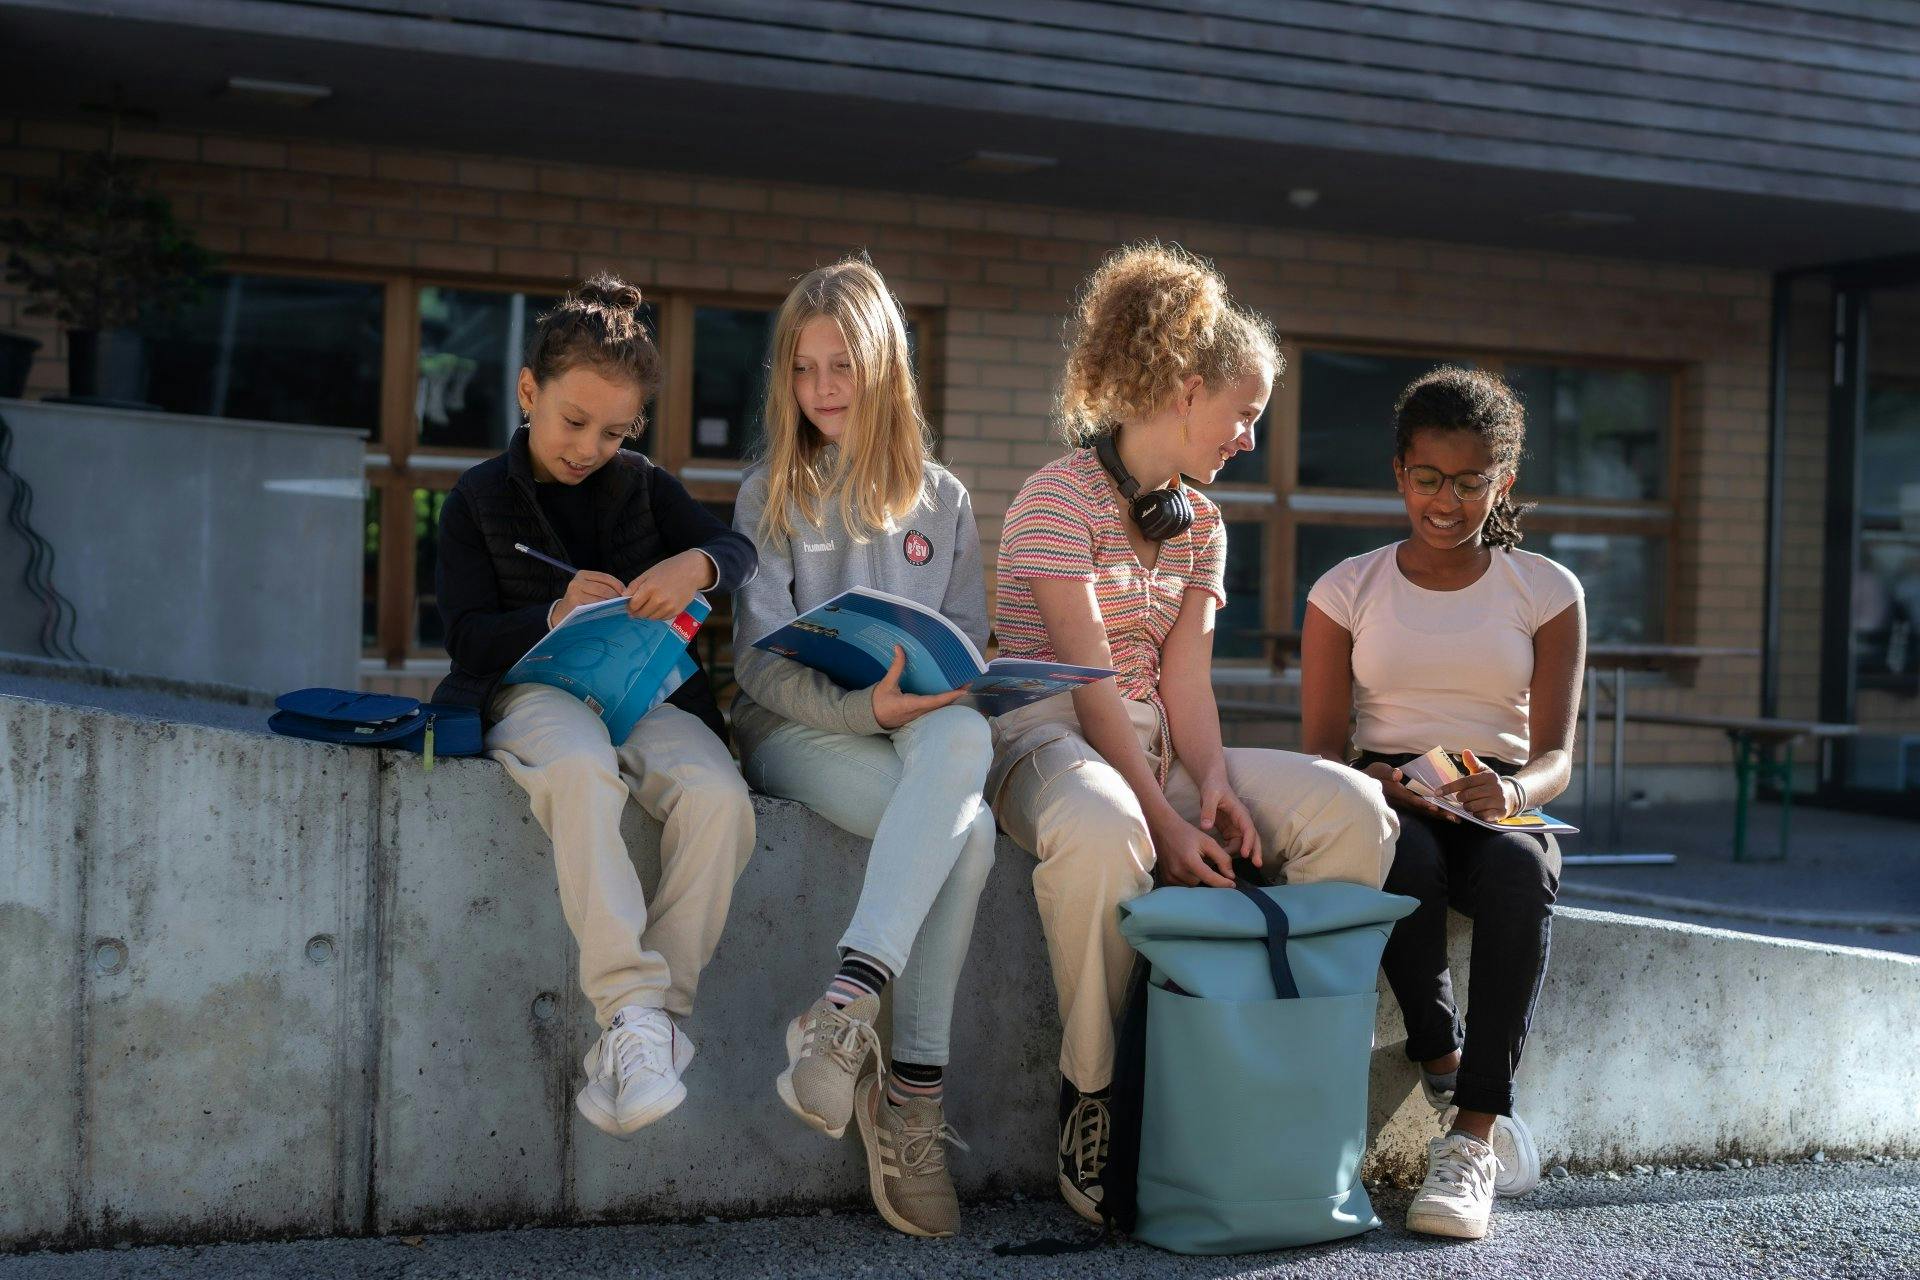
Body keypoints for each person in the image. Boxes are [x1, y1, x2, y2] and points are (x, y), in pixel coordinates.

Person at [990, 243, 1400, 1224]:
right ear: (1184, 390)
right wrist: (1169, 827)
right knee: (1102, 830)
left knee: (1360, 811)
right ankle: (1093, 1092)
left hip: (1159, 749)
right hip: (1048, 739)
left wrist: (1211, 782)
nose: (1252, 436)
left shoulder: (1203, 522)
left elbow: (1185, 679)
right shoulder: (1057, 496)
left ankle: (1271, 1045)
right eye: (1244, 412)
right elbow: (1091, 690)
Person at [433, 274, 759, 1140]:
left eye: (614, 431)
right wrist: (551, 613)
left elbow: (732, 545)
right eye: (574, 421)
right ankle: (629, 1014)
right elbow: (464, 637)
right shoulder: (474, 501)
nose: (589, 446)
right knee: (579, 771)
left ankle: (646, 1028)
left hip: (642, 692)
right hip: (534, 694)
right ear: (528, 391)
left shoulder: (642, 486)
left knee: (721, 798)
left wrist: (696, 568)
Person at [731, 257, 993, 1239]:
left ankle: (847, 1016)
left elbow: (964, 658)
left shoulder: (946, 500)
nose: (823, 388)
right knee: (966, 841)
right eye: (804, 369)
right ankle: (911, 1087)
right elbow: (756, 669)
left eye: (843, 364)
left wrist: (934, 698)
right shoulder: (770, 491)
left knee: (964, 733)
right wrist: (865, 715)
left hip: (919, 740)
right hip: (798, 734)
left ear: (884, 369)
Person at [1299, 365, 1586, 1241]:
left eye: (1470, 482)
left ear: (1501, 481)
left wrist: (1511, 791)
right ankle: (1443, 1056)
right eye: (1429, 479)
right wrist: (1369, 780)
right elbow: (1318, 748)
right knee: (1403, 856)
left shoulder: (1547, 590)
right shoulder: (1346, 587)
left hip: (1497, 793)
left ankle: (1471, 1137)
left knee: (1519, 872)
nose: (1447, 502)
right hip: (1383, 787)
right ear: (1400, 474)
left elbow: (1559, 758)